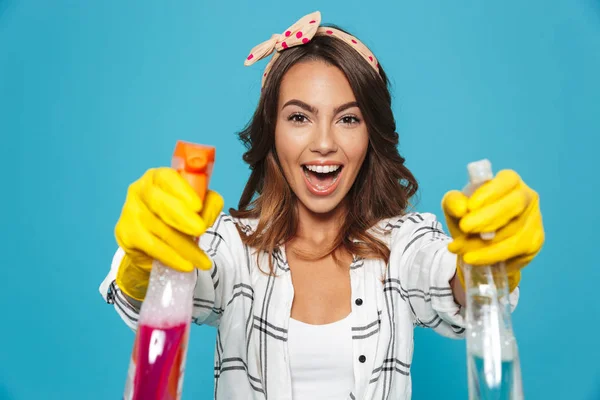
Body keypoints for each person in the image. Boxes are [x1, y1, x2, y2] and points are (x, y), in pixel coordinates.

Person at [99, 11, 545, 400]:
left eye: (348, 119)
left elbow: (453, 288)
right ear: (272, 131)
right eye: (299, 117)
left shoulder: (404, 244)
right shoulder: (231, 248)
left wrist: (486, 260)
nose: (325, 143)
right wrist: (147, 260)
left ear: (371, 135)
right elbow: (139, 304)